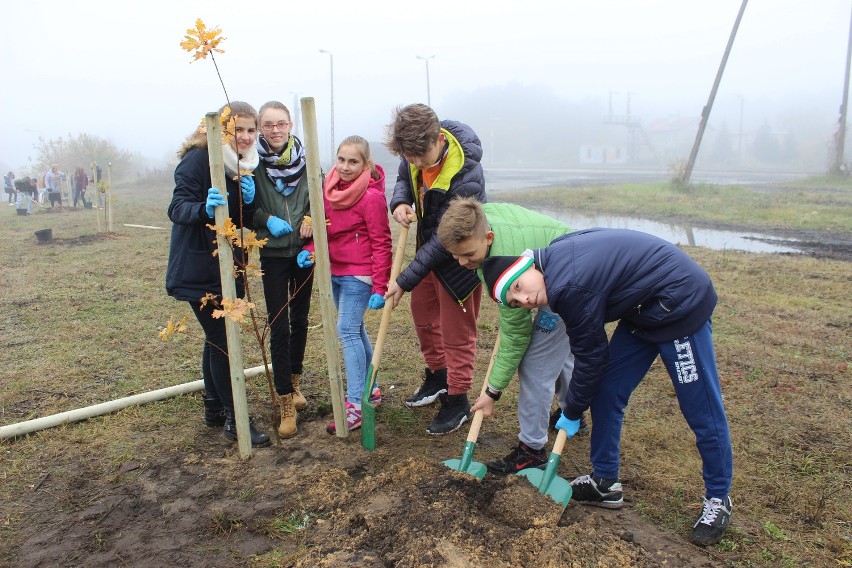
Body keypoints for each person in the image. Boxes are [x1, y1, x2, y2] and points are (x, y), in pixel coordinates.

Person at [480, 228, 734, 547]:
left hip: (679, 301)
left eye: (518, 287)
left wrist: (571, 411)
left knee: (701, 409)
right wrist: (575, 406)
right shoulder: (553, 256)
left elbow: (591, 358)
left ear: (526, 267)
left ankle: (718, 499)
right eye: (516, 302)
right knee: (606, 392)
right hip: (643, 308)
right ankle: (605, 482)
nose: (525, 299)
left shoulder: (566, 287)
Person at [437, 196, 586, 474]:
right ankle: (572, 411)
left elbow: (516, 336)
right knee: (557, 350)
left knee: (535, 364)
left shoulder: (506, 262)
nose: (461, 262)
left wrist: (493, 392)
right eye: (455, 256)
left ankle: (532, 449)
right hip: (569, 258)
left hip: (570, 279)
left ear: (488, 237)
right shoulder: (478, 217)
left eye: (468, 255)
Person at [166, 101, 270, 448]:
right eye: (236, 130)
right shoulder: (200, 159)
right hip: (199, 267)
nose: (245, 136)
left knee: (216, 337)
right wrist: (203, 207)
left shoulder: (243, 164)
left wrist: (250, 201)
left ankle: (213, 407)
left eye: (250, 130)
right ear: (221, 130)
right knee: (223, 340)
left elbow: (241, 217)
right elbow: (177, 208)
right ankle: (234, 416)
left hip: (228, 266)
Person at [384, 103, 486, 435]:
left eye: (419, 155)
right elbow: (404, 177)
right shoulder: (413, 151)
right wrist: (400, 201)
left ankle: (457, 400)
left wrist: (404, 279)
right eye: (407, 155)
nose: (414, 162)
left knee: (457, 333)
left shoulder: (465, 175)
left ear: (438, 139)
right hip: (428, 250)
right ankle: (439, 377)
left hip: (458, 259)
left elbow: (447, 240)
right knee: (425, 317)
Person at [297, 136, 393, 435]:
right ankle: (371, 389)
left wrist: (379, 286)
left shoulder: (372, 198)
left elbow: (382, 243)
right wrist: (310, 250)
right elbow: (322, 227)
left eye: (353, 161)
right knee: (356, 329)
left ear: (366, 164)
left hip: (359, 273)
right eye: (341, 159)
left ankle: (355, 405)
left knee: (347, 331)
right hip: (334, 270)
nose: (346, 167)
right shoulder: (329, 190)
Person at [251, 100, 314, 439]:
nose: (275, 129)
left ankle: (295, 380)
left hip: (304, 253)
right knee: (279, 324)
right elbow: (248, 206)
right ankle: (285, 401)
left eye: (281, 123)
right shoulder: (252, 164)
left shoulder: (308, 161)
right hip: (273, 253)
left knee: (300, 318)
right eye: (268, 124)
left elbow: (320, 202)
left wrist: (310, 221)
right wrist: (265, 220)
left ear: (290, 125)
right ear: (261, 128)